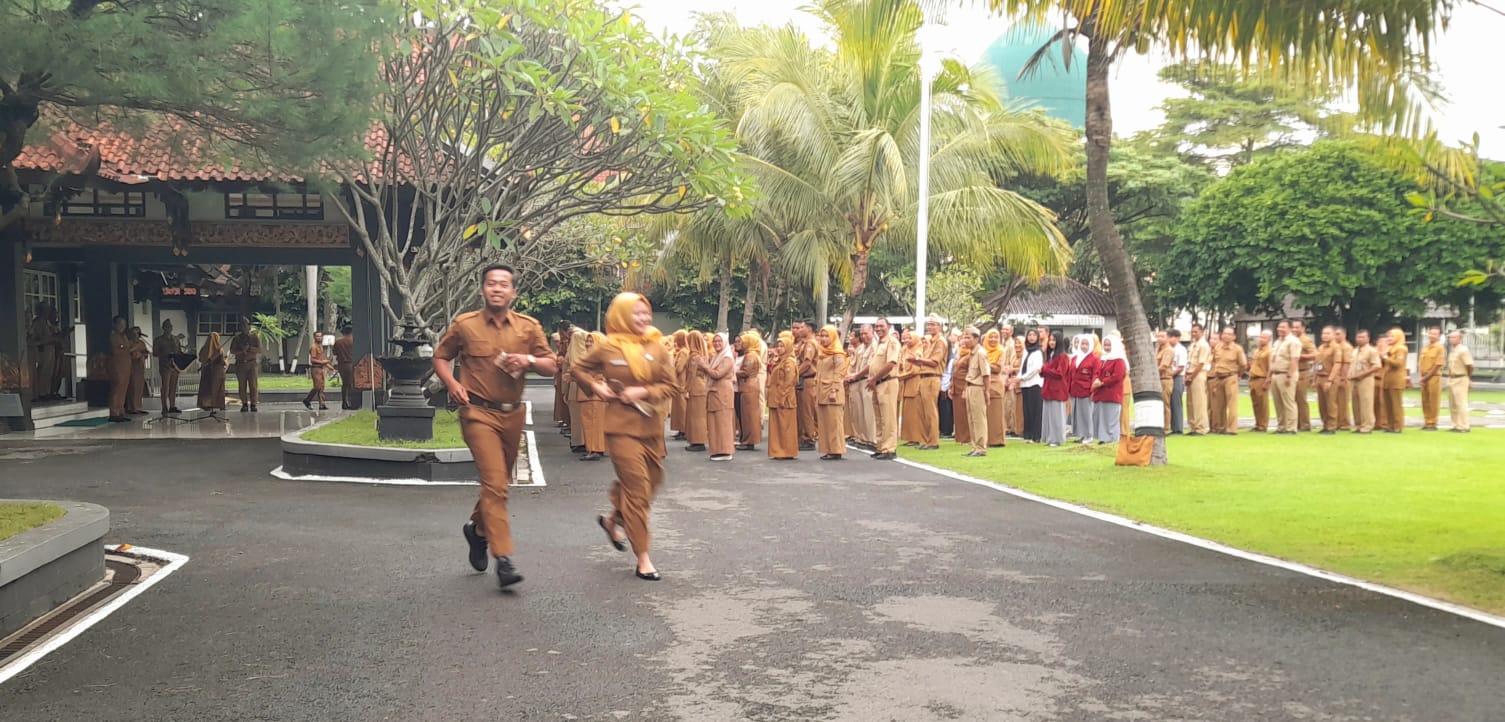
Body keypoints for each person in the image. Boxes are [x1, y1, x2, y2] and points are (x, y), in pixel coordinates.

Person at [433, 263, 557, 589]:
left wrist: (528, 360)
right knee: (495, 483)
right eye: (491, 283)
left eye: (503, 284)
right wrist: (451, 383)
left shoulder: (528, 328)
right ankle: (504, 559)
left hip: (512, 414)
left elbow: (552, 365)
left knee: (499, 484)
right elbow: (441, 356)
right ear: (483, 290)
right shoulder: (465, 325)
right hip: (477, 413)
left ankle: (477, 532)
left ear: (513, 292)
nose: (497, 288)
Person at [573, 293, 677, 582]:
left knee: (653, 482)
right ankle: (643, 557)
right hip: (621, 430)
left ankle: (613, 519)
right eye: (636, 313)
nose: (644, 318)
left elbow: (671, 385)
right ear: (620, 316)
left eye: (647, 313)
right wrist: (596, 387)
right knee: (638, 491)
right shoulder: (608, 348)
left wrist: (642, 392)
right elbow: (578, 369)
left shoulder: (657, 347)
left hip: (652, 428)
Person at [867, 318, 901, 460]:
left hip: (887, 382)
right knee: (879, 417)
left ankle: (889, 448)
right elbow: (872, 364)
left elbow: (890, 364)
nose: (878, 329)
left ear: (889, 327)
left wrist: (874, 379)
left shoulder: (892, 342)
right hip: (877, 383)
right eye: (876, 326)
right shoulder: (878, 344)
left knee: (888, 417)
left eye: (882, 326)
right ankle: (881, 446)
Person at [912, 316, 947, 449]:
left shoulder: (940, 341)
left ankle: (933, 441)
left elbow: (934, 362)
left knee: (930, 410)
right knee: (921, 411)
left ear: (939, 326)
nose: (930, 327)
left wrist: (917, 361)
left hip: (932, 377)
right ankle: (924, 440)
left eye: (933, 324)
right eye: (929, 324)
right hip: (923, 377)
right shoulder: (929, 341)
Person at [814, 325, 848, 460]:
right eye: (821, 336)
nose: (823, 339)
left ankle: (836, 450)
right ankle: (828, 448)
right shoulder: (822, 352)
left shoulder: (838, 354)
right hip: (822, 390)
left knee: (834, 422)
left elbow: (838, 374)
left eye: (826, 336)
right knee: (825, 422)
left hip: (832, 391)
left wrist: (834, 390)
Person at [702, 333, 737, 461]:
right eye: (715, 341)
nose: (716, 344)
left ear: (725, 343)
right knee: (714, 422)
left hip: (723, 393)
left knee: (723, 421)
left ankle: (725, 450)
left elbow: (717, 374)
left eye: (719, 341)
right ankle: (717, 449)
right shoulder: (716, 356)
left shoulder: (727, 358)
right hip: (714, 392)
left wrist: (704, 366)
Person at [767, 332, 800, 459]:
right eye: (778, 346)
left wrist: (782, 397)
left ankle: (786, 451)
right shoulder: (780, 361)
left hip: (784, 399)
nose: (779, 348)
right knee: (778, 426)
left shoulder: (789, 362)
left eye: (782, 346)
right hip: (776, 397)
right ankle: (778, 450)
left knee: (785, 426)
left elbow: (789, 381)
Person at [1091, 334, 1129, 445]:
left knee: (1110, 417)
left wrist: (1102, 382)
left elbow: (1118, 376)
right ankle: (1103, 438)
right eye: (1105, 345)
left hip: (1112, 393)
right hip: (1100, 392)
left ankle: (1112, 438)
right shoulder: (1103, 359)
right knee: (1100, 416)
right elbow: (1097, 372)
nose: (1107, 348)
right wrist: (1096, 380)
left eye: (1109, 345)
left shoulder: (1119, 360)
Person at [1208, 327, 1247, 435]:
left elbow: (1243, 364)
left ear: (1234, 336)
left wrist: (1238, 375)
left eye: (1229, 334)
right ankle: (1220, 427)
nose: (1226, 336)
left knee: (1232, 404)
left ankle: (1232, 429)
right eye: (1225, 334)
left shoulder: (1237, 349)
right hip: (1218, 377)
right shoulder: (1218, 347)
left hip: (1231, 376)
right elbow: (1214, 361)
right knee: (1218, 405)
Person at [575, 332, 607, 461]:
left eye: (591, 341)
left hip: (593, 395)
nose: (588, 344)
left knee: (593, 424)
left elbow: (590, 375)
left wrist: (575, 375)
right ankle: (596, 448)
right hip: (589, 395)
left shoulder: (597, 359)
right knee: (592, 424)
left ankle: (594, 449)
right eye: (587, 341)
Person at [961, 327, 990, 457]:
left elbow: (986, 374)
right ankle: (975, 446)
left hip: (978, 387)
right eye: (965, 337)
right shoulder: (972, 353)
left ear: (976, 339)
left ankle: (981, 447)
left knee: (979, 418)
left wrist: (987, 391)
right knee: (971, 418)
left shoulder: (981, 353)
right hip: (970, 386)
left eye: (968, 338)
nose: (966, 340)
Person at [1040, 331, 1072, 447]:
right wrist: (1043, 371)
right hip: (1049, 388)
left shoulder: (1063, 356)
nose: (1051, 342)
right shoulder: (1050, 355)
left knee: (1056, 415)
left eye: (1054, 340)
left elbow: (1060, 373)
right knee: (1048, 415)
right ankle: (1049, 437)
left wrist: (1044, 370)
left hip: (1057, 390)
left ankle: (1057, 438)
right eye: (1050, 340)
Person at [1269, 321, 1302, 434]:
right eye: (1279, 327)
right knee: (1278, 402)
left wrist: (1289, 375)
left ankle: (1291, 427)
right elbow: (1273, 359)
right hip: (1276, 374)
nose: (1280, 329)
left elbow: (1294, 359)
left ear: (1289, 328)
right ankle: (1281, 426)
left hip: (1286, 374)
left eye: (1283, 327)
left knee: (1288, 401)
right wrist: (1269, 376)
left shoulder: (1293, 341)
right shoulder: (1278, 342)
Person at [27, 303, 65, 401]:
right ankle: (41, 393)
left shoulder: (46, 322)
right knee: (43, 372)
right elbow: (39, 337)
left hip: (51, 350)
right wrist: (51, 339)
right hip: (44, 350)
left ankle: (47, 392)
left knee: (49, 373)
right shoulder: (39, 322)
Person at [793, 320, 820, 451]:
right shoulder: (804, 343)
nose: (799, 330)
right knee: (802, 410)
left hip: (808, 379)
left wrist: (795, 374)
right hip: (803, 378)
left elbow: (807, 363)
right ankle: (803, 436)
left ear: (809, 329)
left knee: (807, 410)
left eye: (802, 327)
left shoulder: (810, 344)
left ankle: (809, 437)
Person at [1068, 334, 1100, 442]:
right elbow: (1070, 374)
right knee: (1077, 414)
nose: (1084, 346)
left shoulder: (1094, 359)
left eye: (1086, 344)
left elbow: (1095, 375)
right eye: (1082, 343)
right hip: (1075, 390)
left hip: (1086, 390)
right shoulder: (1075, 358)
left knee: (1086, 414)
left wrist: (1092, 391)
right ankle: (1082, 435)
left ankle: (1089, 435)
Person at [737, 330, 765, 451]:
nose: (741, 344)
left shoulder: (750, 356)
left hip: (748, 387)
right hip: (750, 386)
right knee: (749, 414)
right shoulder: (753, 355)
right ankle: (748, 439)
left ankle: (749, 440)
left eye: (744, 342)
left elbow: (746, 372)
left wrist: (733, 372)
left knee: (748, 415)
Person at [1349, 330, 1381, 434]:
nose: (1359, 339)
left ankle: (1367, 426)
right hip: (1354, 380)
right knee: (1355, 403)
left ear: (1368, 338)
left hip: (1366, 379)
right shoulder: (1355, 351)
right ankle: (1358, 425)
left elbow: (1377, 366)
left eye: (1362, 337)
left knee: (1366, 402)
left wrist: (1362, 374)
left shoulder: (1371, 351)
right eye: (1358, 337)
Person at [683, 331, 710, 452]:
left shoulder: (694, 357)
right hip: (702, 385)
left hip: (695, 386)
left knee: (695, 416)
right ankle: (698, 440)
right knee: (700, 416)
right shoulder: (702, 355)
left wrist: (686, 389)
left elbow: (691, 374)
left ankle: (698, 441)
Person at [843, 327, 870, 448]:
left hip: (862, 380)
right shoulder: (860, 350)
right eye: (862, 334)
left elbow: (866, 367)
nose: (850, 338)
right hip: (855, 382)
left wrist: (855, 376)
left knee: (867, 412)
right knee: (857, 412)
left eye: (852, 336)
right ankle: (859, 437)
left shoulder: (867, 348)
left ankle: (868, 439)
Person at [982, 330, 1009, 448]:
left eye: (995, 337)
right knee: (986, 414)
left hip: (996, 384)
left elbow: (998, 368)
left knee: (996, 413)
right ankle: (987, 439)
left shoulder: (1001, 351)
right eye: (990, 337)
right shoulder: (982, 351)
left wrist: (985, 363)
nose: (993, 340)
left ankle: (998, 440)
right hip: (984, 383)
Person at [1018, 329, 1044, 442]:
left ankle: (1036, 435)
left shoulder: (1038, 352)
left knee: (1035, 410)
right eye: (1029, 335)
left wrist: (1022, 377)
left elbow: (1035, 369)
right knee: (1026, 410)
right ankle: (1027, 435)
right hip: (1025, 384)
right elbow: (1022, 368)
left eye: (1034, 335)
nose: (1032, 337)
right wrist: (1018, 378)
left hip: (1035, 383)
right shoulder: (1026, 351)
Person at [1184, 324, 1211, 435]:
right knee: (1190, 402)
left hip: (1198, 374)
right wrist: (1187, 375)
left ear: (1202, 332)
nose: (1194, 334)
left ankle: (1201, 427)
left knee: (1199, 402)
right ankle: (1193, 426)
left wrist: (1192, 376)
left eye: (1196, 332)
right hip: (1190, 373)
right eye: (1192, 332)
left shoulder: (1203, 345)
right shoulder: (1193, 345)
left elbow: (1201, 363)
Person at [1380, 328, 1408, 433]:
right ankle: (1390, 425)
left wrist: (1386, 358)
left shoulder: (1401, 349)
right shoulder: (1390, 349)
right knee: (1388, 404)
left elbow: (1398, 364)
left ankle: (1397, 425)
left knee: (1396, 404)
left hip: (1396, 379)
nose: (1389, 338)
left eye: (1392, 336)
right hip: (1388, 378)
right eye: (1388, 336)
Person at [153, 319, 184, 415]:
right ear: (163, 328)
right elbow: (155, 353)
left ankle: (172, 406)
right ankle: (164, 407)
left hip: (175, 366)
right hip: (165, 366)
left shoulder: (175, 339)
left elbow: (179, 351)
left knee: (173, 387)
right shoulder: (158, 340)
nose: (169, 328)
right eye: (167, 326)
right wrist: (165, 355)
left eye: (170, 326)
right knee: (165, 387)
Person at [229, 323, 262, 413]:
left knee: (253, 385)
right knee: (242, 385)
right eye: (242, 326)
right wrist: (241, 351)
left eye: (245, 326)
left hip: (252, 363)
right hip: (240, 364)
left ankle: (253, 404)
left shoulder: (254, 337)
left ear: (249, 327)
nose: (244, 328)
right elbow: (232, 350)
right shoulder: (237, 338)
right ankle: (244, 404)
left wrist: (249, 348)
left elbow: (259, 350)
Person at [1446, 329, 1474, 433]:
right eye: (1450, 337)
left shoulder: (1463, 350)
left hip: (1461, 377)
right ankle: (1456, 424)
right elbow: (1450, 366)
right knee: (1452, 403)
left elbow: (1469, 365)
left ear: (1460, 339)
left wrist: (1468, 377)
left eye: (1453, 337)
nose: (1451, 339)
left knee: (1461, 403)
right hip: (1452, 378)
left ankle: (1464, 426)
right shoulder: (1453, 351)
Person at [566, 328, 589, 453]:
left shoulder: (573, 352)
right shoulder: (587, 353)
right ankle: (585, 441)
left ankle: (578, 441)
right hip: (586, 386)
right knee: (584, 416)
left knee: (576, 416)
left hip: (575, 386)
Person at [1293, 320, 1318, 432]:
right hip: (1293, 372)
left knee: (1301, 398)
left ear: (1303, 328)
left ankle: (1305, 424)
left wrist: (1301, 356)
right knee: (1292, 399)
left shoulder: (1306, 340)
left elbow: (1315, 354)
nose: (1294, 330)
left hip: (1302, 372)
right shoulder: (1292, 340)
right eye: (1293, 327)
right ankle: (1296, 423)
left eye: (1297, 327)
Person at [1418, 327, 1444, 431]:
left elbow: (1438, 365)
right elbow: (1421, 363)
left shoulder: (1440, 348)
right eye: (1430, 333)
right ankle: (1427, 421)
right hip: (1424, 376)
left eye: (1435, 334)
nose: (1432, 335)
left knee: (1433, 400)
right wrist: (1422, 377)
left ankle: (1433, 422)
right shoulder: (1425, 348)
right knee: (1425, 400)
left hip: (1433, 376)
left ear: (1439, 336)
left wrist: (1426, 377)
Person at [107, 316, 132, 422]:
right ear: (114, 325)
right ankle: (114, 412)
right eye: (120, 324)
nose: (122, 327)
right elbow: (116, 350)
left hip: (125, 366)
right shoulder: (113, 336)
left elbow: (127, 348)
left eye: (124, 325)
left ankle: (120, 411)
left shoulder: (124, 337)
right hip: (117, 366)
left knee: (123, 388)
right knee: (117, 388)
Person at [1328, 327, 1353, 433]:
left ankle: (1344, 423)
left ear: (1344, 335)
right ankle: (1337, 421)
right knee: (1335, 401)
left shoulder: (1346, 347)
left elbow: (1346, 363)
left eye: (1338, 334)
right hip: (1336, 377)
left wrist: (1344, 377)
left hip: (1343, 377)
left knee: (1343, 401)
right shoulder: (1335, 347)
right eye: (1335, 334)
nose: (1336, 336)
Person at [900, 330, 923, 445]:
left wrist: (899, 377)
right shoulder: (905, 350)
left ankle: (916, 438)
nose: (907, 340)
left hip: (914, 384)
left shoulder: (918, 351)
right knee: (907, 414)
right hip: (906, 385)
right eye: (906, 338)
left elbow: (915, 370)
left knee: (914, 414)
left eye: (910, 338)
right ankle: (909, 437)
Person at [196, 331, 228, 413]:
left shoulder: (204, 349)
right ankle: (218, 404)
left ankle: (206, 404)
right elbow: (222, 361)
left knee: (207, 388)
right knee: (218, 389)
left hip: (206, 371)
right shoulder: (219, 349)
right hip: (217, 372)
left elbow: (200, 359)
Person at [1248, 331, 1273, 432]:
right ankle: (1257, 423)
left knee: (1263, 403)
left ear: (1269, 339)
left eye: (1264, 338)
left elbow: (1270, 367)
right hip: (1253, 378)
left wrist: (1268, 380)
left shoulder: (1269, 352)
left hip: (1262, 378)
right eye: (1261, 337)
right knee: (1256, 403)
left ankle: (1263, 425)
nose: (1261, 339)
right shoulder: (1257, 351)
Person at [949, 335, 972, 447]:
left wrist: (966, 387)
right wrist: (951, 387)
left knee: (965, 414)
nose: (962, 346)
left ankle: (967, 438)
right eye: (961, 345)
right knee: (958, 414)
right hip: (956, 387)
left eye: (964, 345)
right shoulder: (959, 357)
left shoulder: (969, 356)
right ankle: (961, 437)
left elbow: (970, 373)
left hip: (964, 387)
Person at [1313, 326, 1336, 432]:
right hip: (1320, 376)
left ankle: (1331, 426)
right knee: (1322, 403)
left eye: (1328, 333)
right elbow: (1317, 363)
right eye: (1323, 333)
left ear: (1333, 335)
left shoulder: (1336, 348)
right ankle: (1325, 424)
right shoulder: (1321, 347)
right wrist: (1315, 378)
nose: (1325, 336)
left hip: (1329, 376)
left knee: (1330, 403)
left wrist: (1330, 380)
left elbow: (1337, 365)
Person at [302, 331, 332, 411]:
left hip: (321, 368)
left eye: (320, 336)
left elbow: (321, 358)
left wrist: (329, 366)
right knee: (317, 386)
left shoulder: (320, 346)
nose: (319, 338)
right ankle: (307, 400)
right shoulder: (314, 347)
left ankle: (322, 404)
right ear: (314, 337)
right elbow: (313, 360)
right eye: (317, 336)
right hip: (315, 369)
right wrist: (324, 362)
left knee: (322, 387)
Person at [670, 329, 690, 441]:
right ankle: (680, 429)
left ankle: (683, 430)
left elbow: (679, 368)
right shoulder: (682, 351)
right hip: (679, 383)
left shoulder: (683, 352)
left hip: (681, 383)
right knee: (679, 408)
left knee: (682, 408)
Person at [936, 330, 955, 438]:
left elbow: (951, 374)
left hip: (946, 385)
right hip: (938, 384)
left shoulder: (951, 360)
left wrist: (947, 387)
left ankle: (946, 430)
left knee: (946, 409)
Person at [1155, 330, 1175, 433]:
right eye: (1158, 336)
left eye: (1162, 336)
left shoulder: (1168, 350)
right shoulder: (1158, 349)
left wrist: (1152, 373)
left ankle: (1166, 428)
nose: (1159, 338)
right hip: (1158, 380)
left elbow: (1163, 366)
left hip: (1165, 380)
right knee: (1157, 404)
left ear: (1168, 338)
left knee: (1165, 404)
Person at [1168, 329, 1187, 434]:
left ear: (1177, 338)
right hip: (1169, 377)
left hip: (1177, 377)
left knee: (1176, 402)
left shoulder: (1181, 350)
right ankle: (1172, 426)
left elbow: (1180, 367)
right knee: (1169, 403)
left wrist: (1170, 374)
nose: (1169, 339)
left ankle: (1178, 428)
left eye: (1171, 337)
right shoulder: (1168, 349)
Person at [126, 326, 149, 415]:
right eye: (135, 333)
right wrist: (134, 352)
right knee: (133, 387)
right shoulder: (129, 343)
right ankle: (131, 407)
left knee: (139, 387)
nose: (137, 335)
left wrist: (142, 354)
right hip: (132, 367)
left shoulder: (142, 343)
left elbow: (146, 352)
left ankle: (138, 407)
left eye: (138, 333)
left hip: (140, 367)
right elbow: (126, 353)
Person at [333, 326, 357, 410]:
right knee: (351, 384)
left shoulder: (338, 341)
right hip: (352, 364)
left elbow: (335, 353)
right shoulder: (354, 341)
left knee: (345, 384)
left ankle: (344, 402)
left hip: (342, 365)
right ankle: (350, 402)